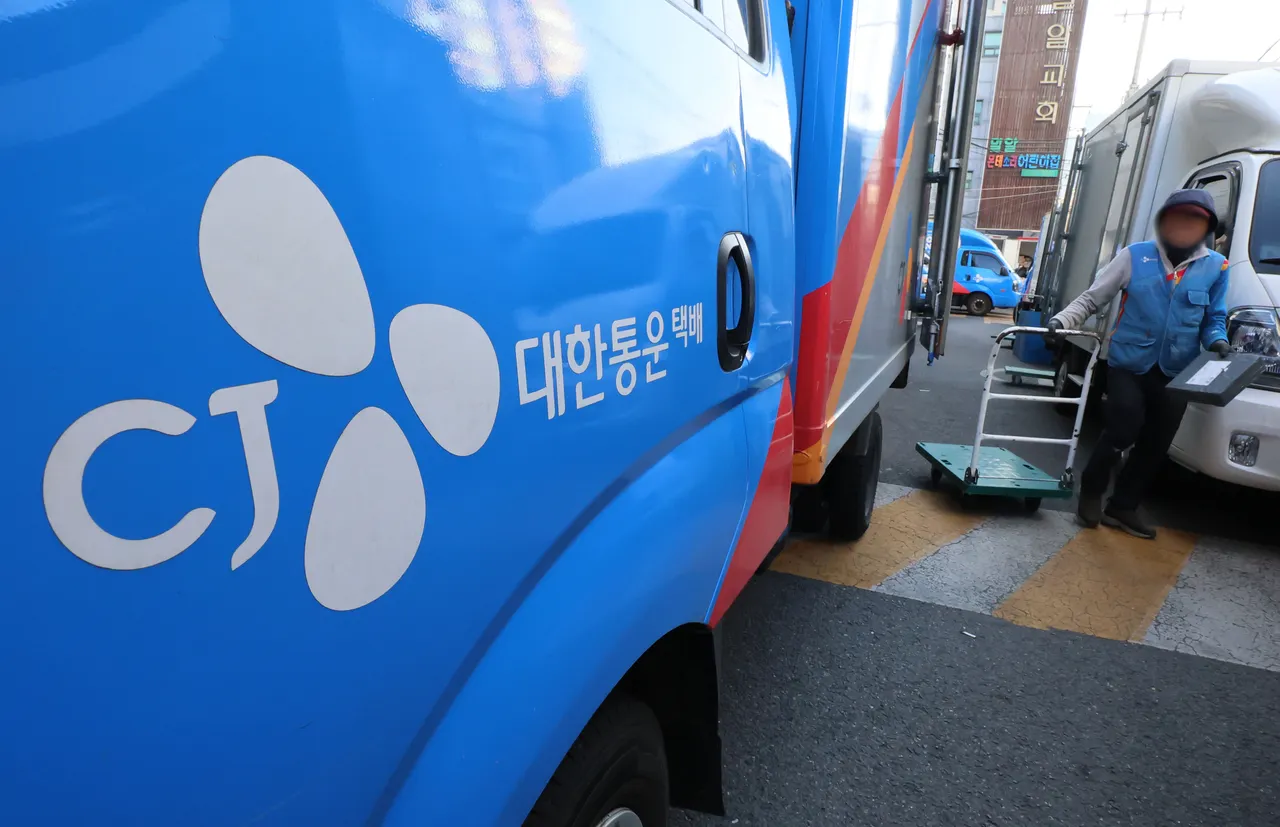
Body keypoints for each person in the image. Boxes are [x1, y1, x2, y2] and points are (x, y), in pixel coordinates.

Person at [1044, 189, 1230, 539]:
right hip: (1129, 363)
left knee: (1157, 442)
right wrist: (1062, 321)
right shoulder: (1134, 256)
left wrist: (1218, 341)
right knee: (1123, 427)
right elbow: (1093, 299)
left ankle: (1123, 506)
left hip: (1177, 369)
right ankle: (1092, 490)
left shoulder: (1216, 266)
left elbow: (1214, 318)